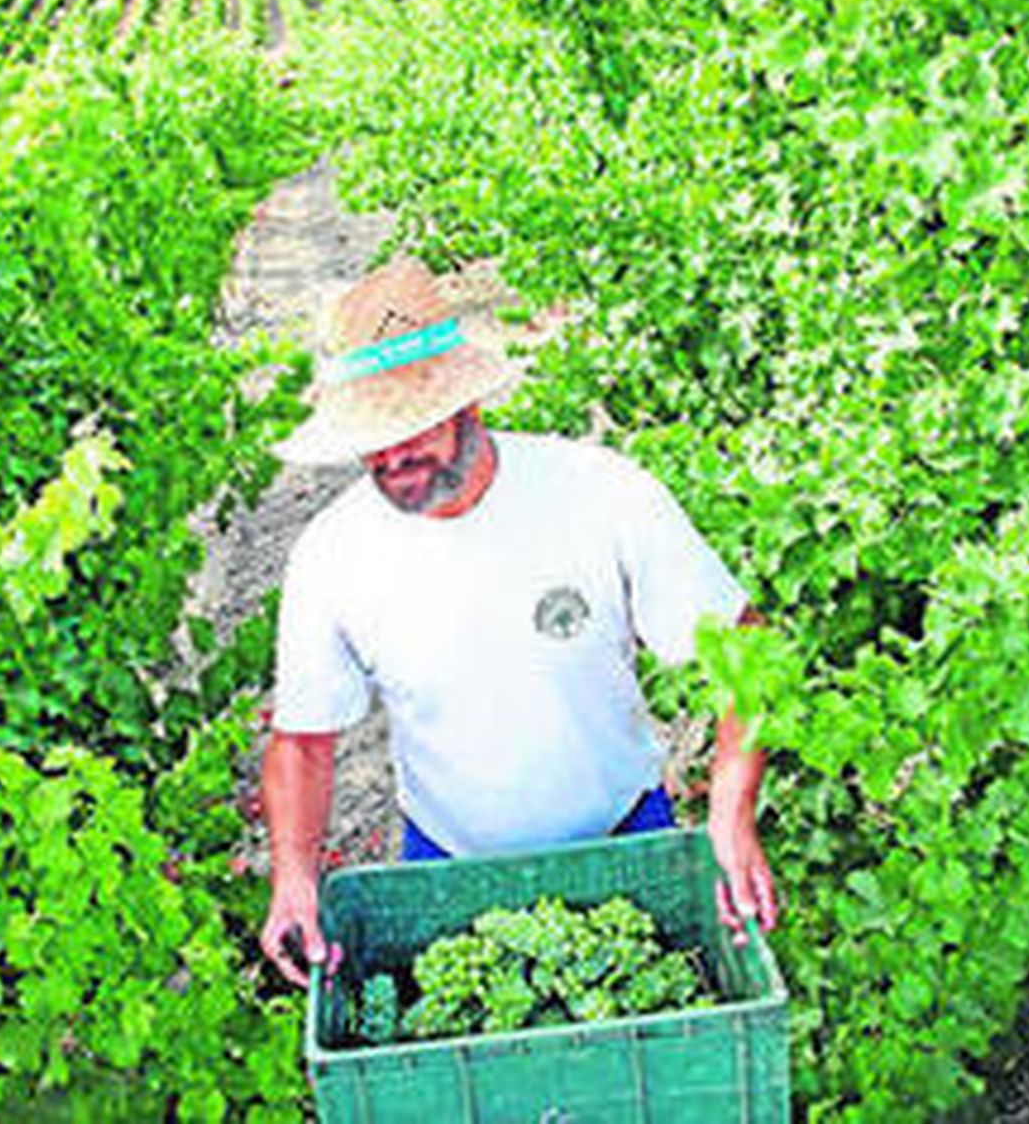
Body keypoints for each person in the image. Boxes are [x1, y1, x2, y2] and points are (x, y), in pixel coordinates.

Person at [256, 254, 779, 988]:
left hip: (627, 837)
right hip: (447, 864)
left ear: (468, 406)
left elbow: (748, 648)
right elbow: (303, 742)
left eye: (413, 426)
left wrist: (731, 811)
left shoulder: (600, 495)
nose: (394, 457)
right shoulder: (333, 555)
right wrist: (293, 875)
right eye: (374, 439)